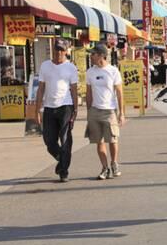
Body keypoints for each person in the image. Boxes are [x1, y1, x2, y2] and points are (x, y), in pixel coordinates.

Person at [35, 38, 79, 182]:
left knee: (65, 139)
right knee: (49, 140)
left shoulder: (71, 67)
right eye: (57, 49)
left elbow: (73, 89)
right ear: (53, 50)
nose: (58, 53)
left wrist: (75, 109)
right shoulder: (45, 66)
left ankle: (64, 171)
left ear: (66, 51)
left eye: (61, 50)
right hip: (49, 107)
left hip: (66, 106)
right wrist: (37, 110)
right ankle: (62, 159)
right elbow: (41, 88)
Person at [85, 43, 125, 180]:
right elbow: (88, 93)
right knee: (99, 141)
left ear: (101, 55)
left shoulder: (113, 71)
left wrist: (122, 113)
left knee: (113, 140)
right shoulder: (90, 72)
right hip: (95, 110)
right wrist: (89, 111)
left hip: (109, 110)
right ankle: (104, 167)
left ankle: (114, 163)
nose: (91, 56)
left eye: (93, 54)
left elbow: (119, 93)